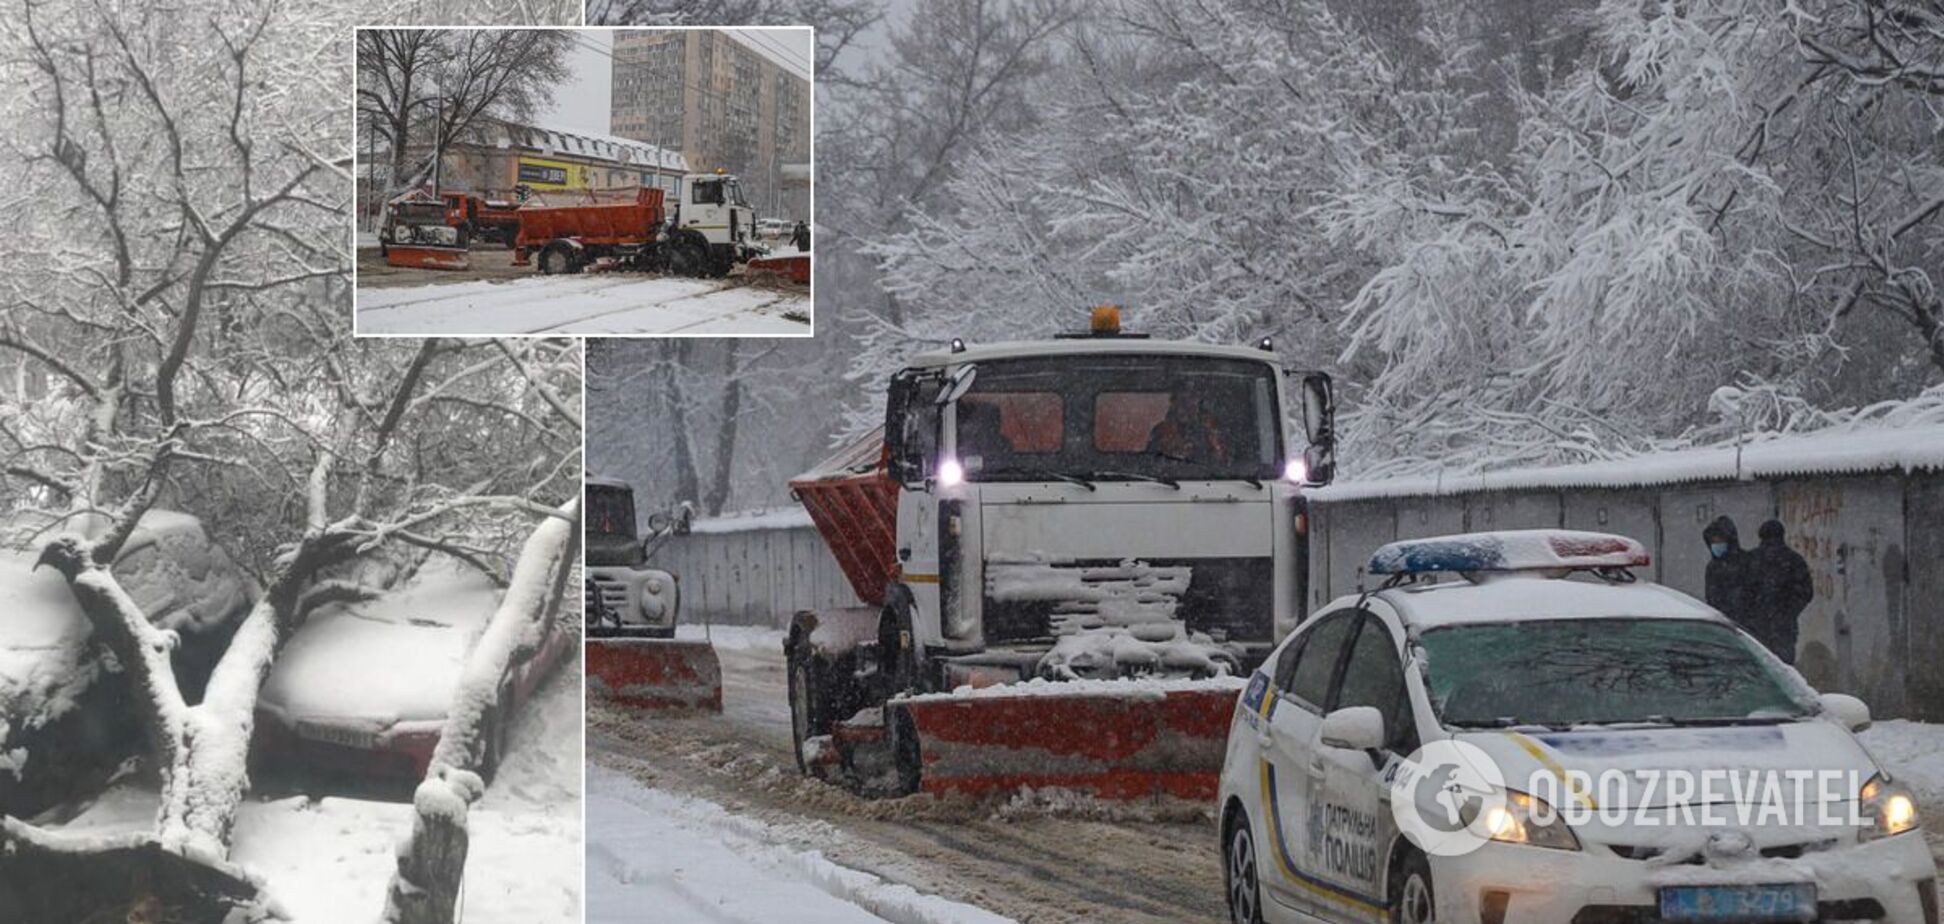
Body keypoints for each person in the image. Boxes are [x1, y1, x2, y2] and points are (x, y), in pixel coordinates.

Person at [1744, 519, 1814, 664]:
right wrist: (1788, 611)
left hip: (1755, 627)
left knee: (1758, 667)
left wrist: (1751, 613)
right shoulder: (1794, 560)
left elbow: (1742, 591)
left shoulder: (1751, 559)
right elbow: (1806, 592)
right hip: (1784, 628)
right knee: (1783, 669)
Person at [1146, 392, 1229, 463]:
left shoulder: (1208, 431)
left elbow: (1221, 463)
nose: (1187, 407)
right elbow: (1151, 462)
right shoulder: (1162, 431)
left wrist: (1213, 435)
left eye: (1191, 402)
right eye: (1183, 401)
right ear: (1174, 403)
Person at [1702, 515, 1753, 628]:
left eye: (1719, 540)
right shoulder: (1712, 566)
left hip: (1744, 623)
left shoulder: (1745, 561)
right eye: (1713, 541)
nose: (1716, 544)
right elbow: (1711, 597)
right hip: (1721, 623)